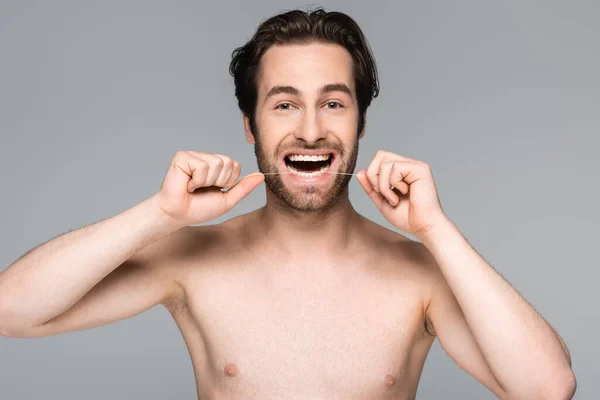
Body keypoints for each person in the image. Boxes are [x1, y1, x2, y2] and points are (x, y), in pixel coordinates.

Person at [0, 8, 575, 399]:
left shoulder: (420, 274)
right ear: (250, 127)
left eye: (333, 104)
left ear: (360, 123)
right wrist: (159, 215)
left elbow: (548, 389)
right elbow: (12, 312)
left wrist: (437, 230)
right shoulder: (189, 260)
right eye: (283, 105)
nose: (309, 129)